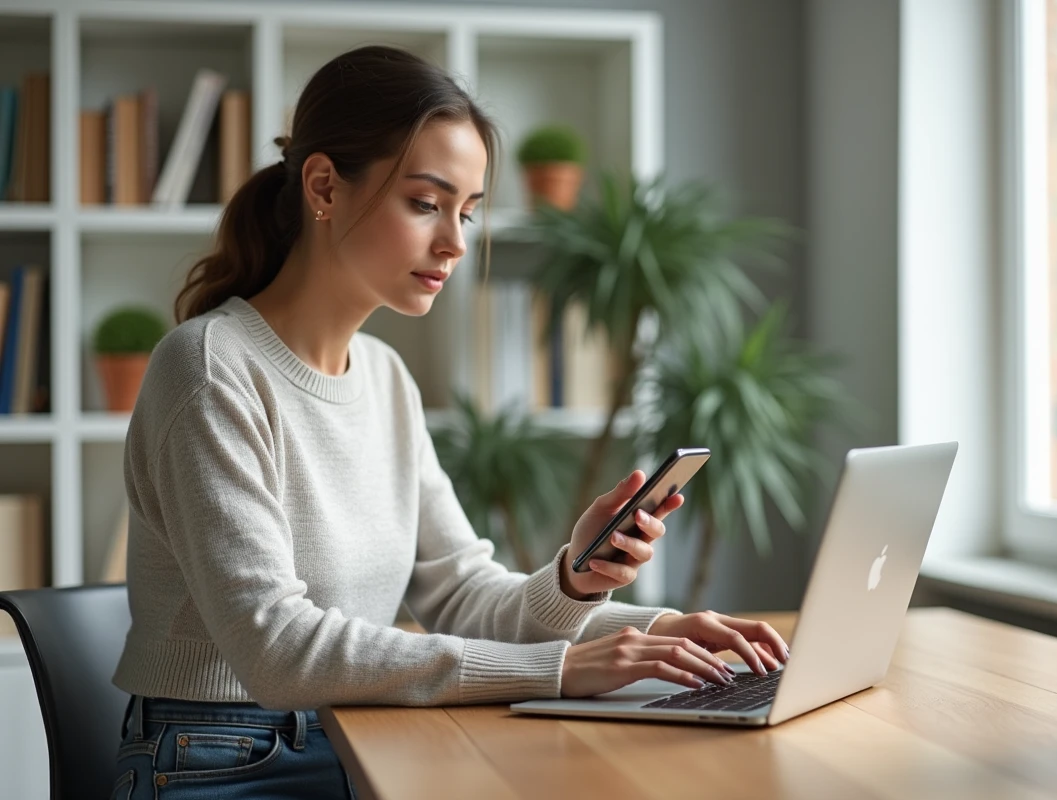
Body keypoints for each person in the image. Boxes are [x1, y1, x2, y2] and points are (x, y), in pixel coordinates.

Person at [109, 45, 789, 799]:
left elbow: (462, 595)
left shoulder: (385, 379)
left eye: (466, 212)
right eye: (426, 203)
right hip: (222, 759)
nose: (455, 243)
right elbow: (277, 649)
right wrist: (562, 667)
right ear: (324, 186)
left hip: (360, 734)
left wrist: (601, 597)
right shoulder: (208, 368)